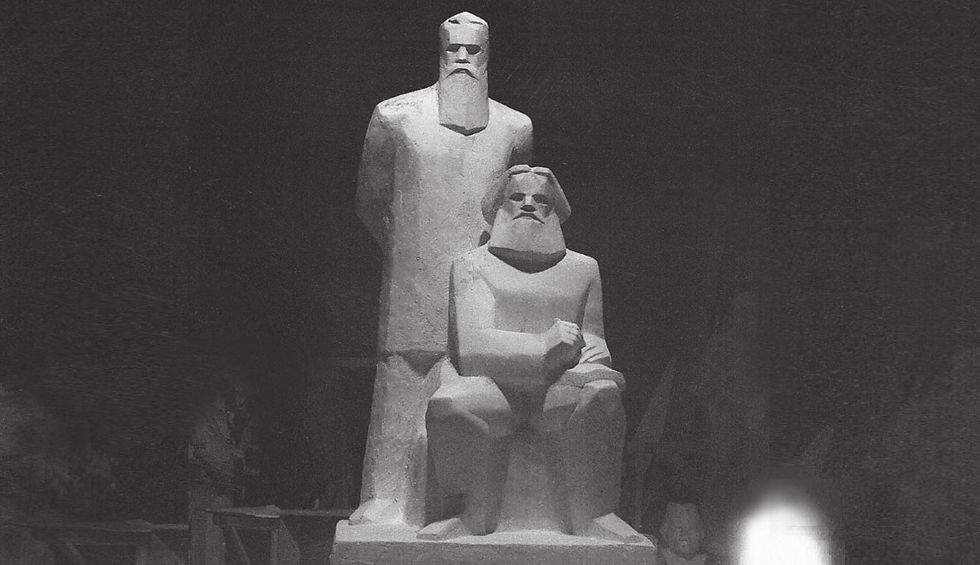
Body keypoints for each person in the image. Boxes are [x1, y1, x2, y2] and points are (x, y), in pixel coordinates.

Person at [352, 12, 532, 527]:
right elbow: (371, 201)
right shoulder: (396, 117)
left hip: (482, 277)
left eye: (473, 51)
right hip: (413, 272)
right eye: (453, 49)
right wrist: (410, 249)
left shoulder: (514, 127)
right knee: (403, 377)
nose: (462, 59)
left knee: (477, 382)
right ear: (439, 51)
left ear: (488, 55)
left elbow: (516, 202)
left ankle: (473, 503)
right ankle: (386, 495)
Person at [419, 165, 642, 543]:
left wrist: (592, 356)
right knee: (449, 406)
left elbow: (594, 337)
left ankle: (594, 516)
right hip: (495, 389)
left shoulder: (583, 269)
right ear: (499, 207)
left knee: (603, 395)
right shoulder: (473, 265)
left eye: (540, 199)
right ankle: (468, 516)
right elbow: (472, 348)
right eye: (517, 197)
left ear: (555, 211)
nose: (528, 205)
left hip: (558, 388)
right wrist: (543, 345)